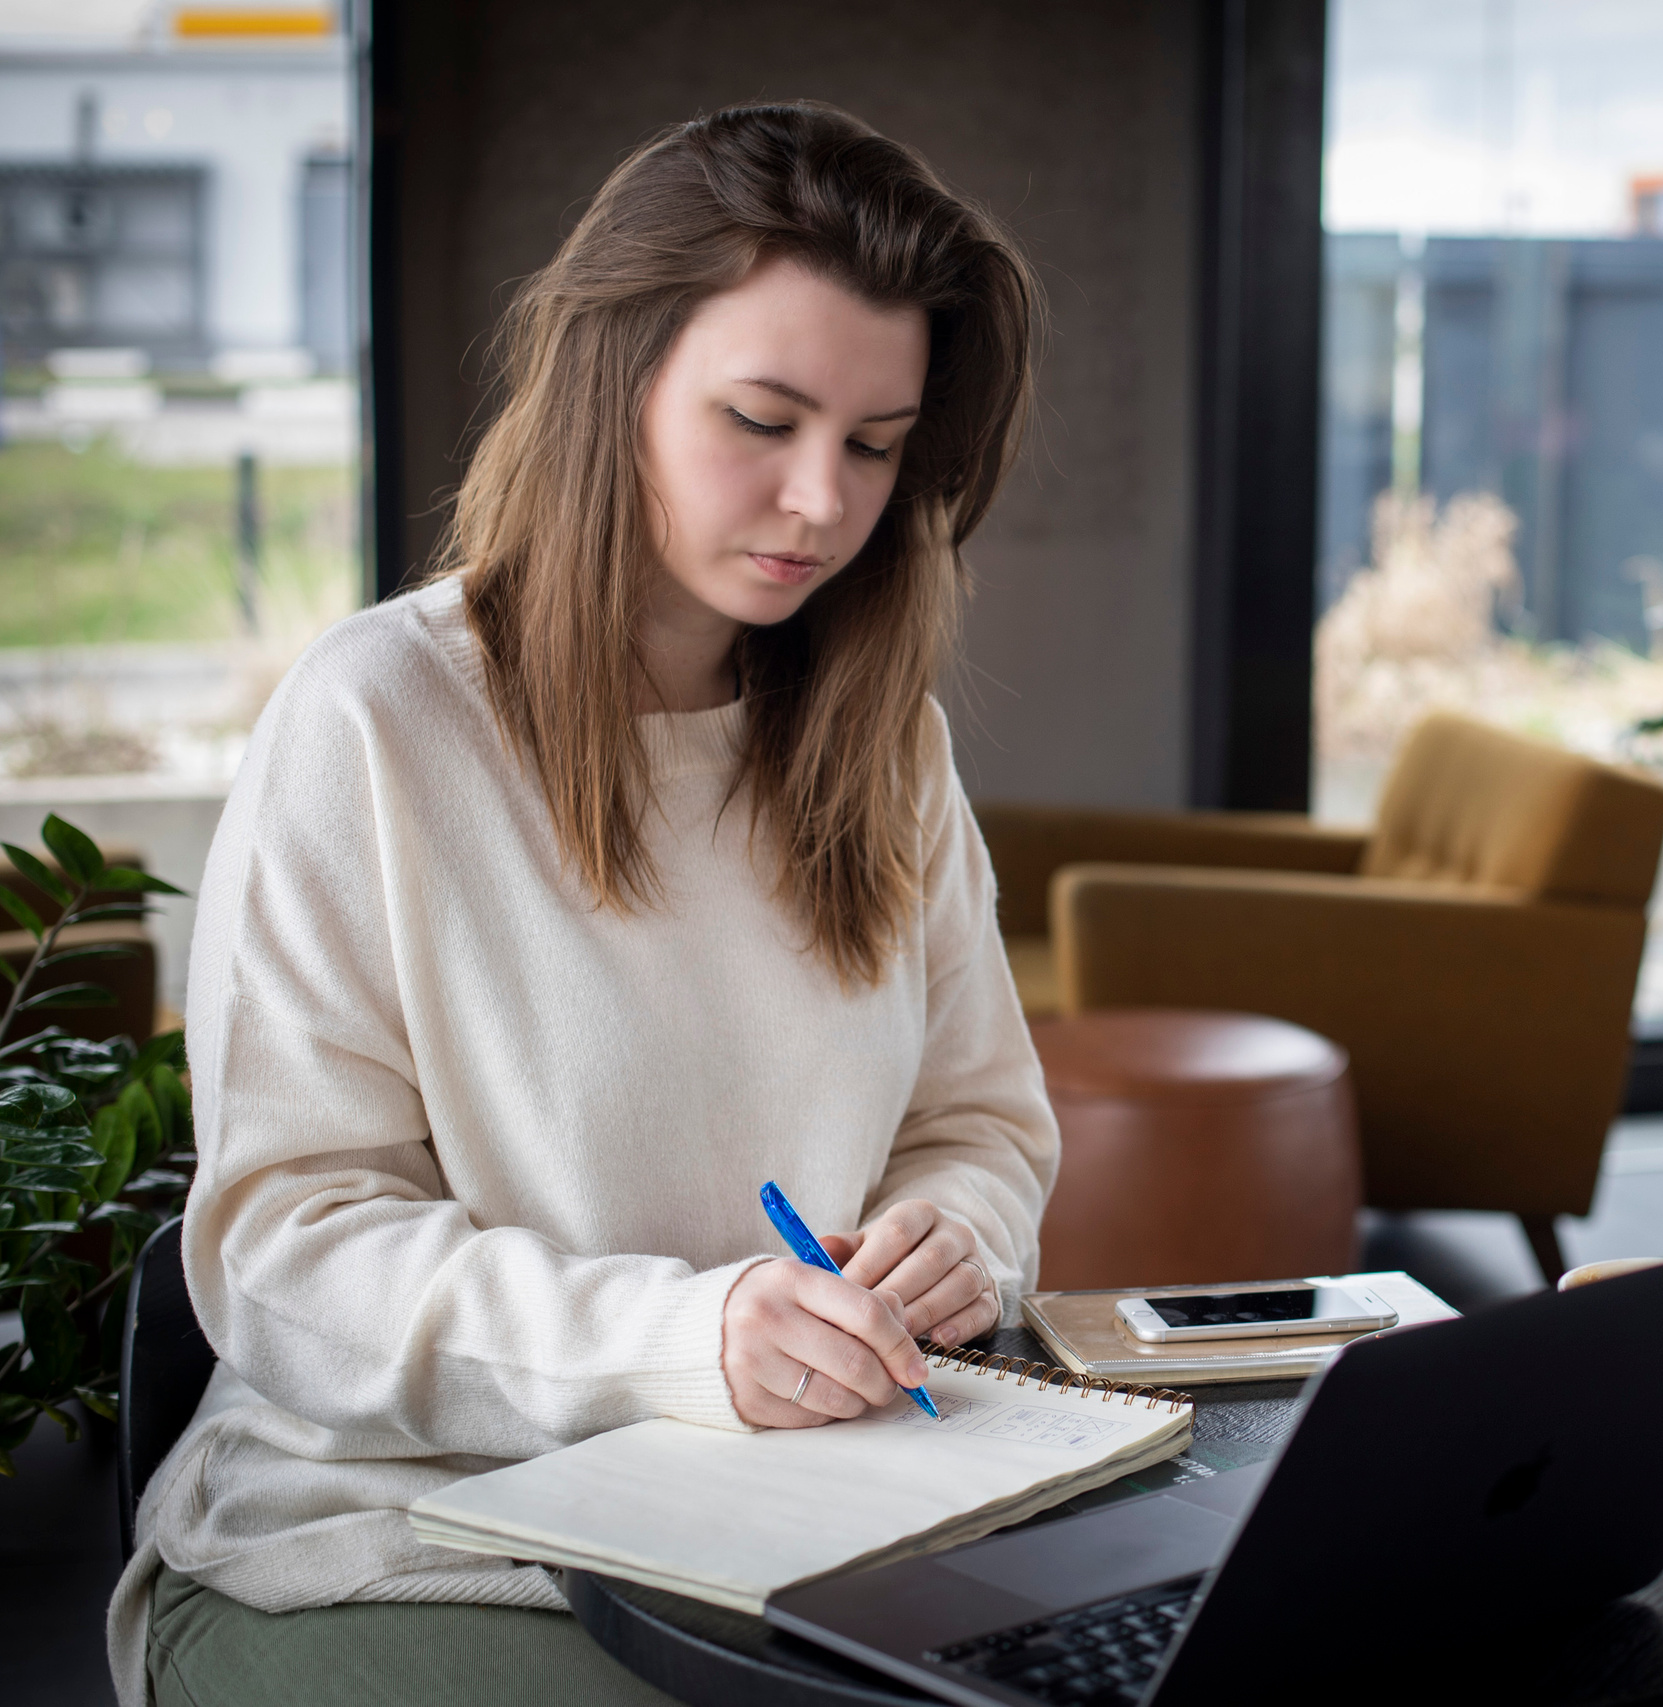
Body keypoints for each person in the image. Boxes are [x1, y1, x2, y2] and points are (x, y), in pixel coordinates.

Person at [107, 102, 1057, 1707]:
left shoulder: (885, 743)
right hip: (401, 1531)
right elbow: (286, 1253)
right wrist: (693, 1341)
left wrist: (955, 1243)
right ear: (611, 382)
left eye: (875, 445)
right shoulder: (377, 722)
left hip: (810, 1520)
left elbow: (980, 1123)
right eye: (762, 420)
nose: (821, 502)